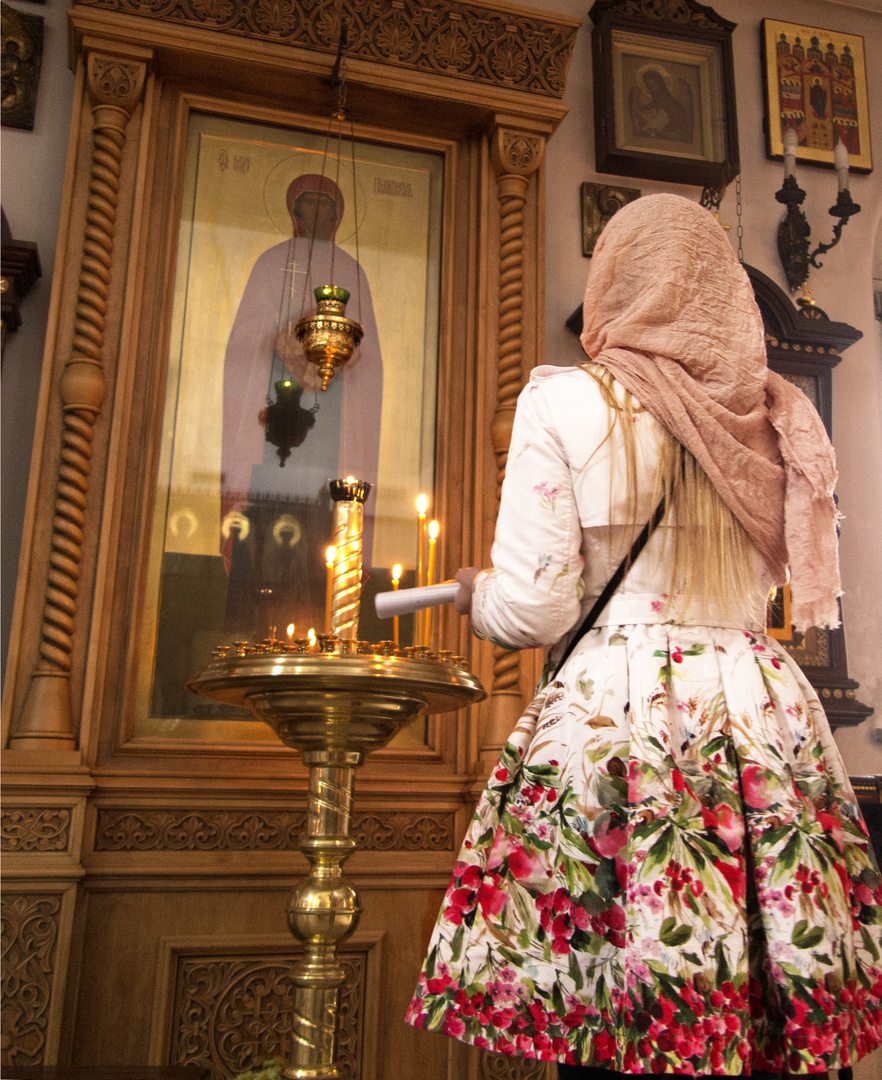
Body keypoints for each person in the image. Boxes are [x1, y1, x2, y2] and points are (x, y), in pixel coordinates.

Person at [406, 194, 882, 1076]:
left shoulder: (566, 403)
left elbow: (537, 613)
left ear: (616, 280)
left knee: (608, 1018)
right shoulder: (780, 417)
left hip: (614, 718)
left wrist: (477, 593)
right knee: (758, 1005)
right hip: (759, 712)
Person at [221, 173, 383, 635]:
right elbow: (243, 342)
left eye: (326, 210)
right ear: (293, 213)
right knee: (266, 535)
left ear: (338, 218)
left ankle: (324, 625)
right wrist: (286, 337)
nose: (317, 217)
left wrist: (336, 351)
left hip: (331, 423)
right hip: (271, 422)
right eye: (308, 207)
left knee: (324, 527)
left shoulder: (352, 271)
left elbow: (370, 360)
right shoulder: (272, 263)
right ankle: (256, 630)